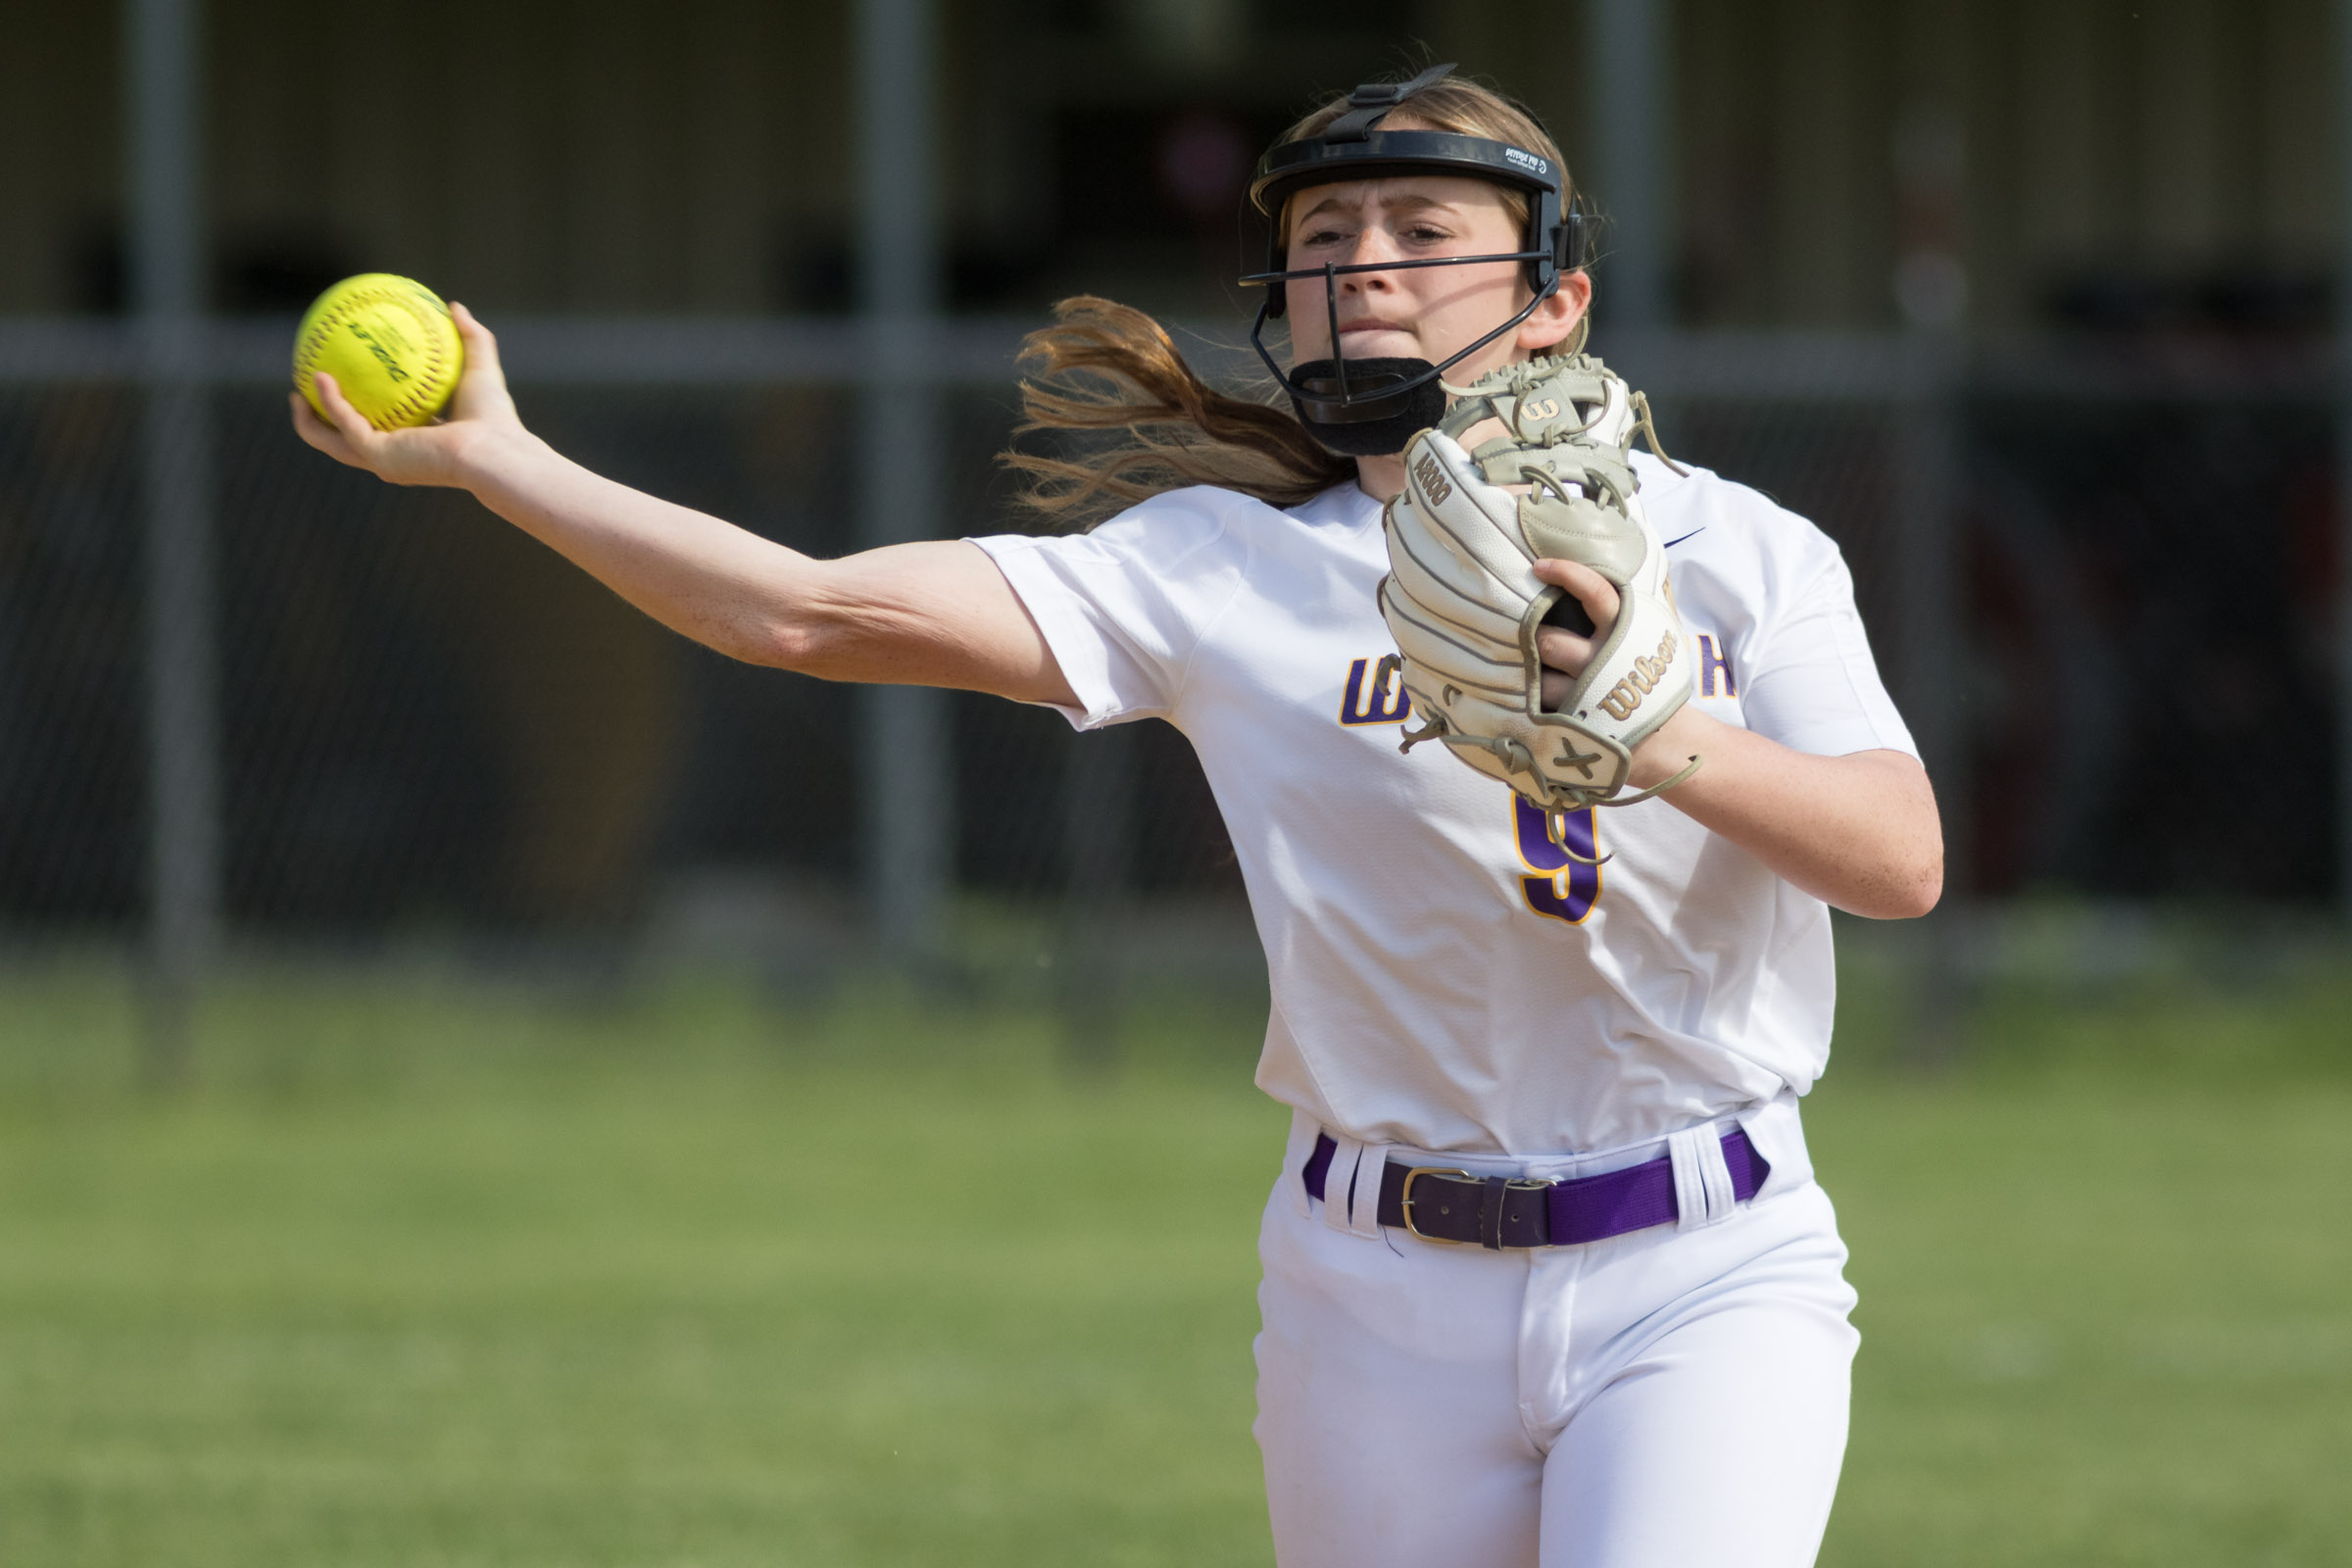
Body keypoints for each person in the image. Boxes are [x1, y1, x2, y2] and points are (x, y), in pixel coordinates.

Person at [293, 64, 1940, 1568]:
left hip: (1702, 1258)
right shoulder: (1221, 570)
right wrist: (502, 465)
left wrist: (1653, 734)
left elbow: (1901, 860)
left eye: (1426, 229)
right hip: (1375, 1289)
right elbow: (799, 614)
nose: (1365, 262)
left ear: (1552, 298)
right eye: (1325, 234)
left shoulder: (1737, 550)